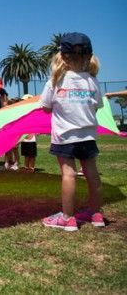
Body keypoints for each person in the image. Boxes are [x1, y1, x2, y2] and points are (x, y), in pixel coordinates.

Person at [40, 32, 105, 231]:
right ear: (89, 56)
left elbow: (45, 107)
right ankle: (96, 214)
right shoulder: (92, 81)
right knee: (92, 173)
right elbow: (97, 106)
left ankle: (68, 218)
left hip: (65, 136)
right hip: (88, 136)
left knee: (68, 174)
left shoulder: (55, 81)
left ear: (63, 56)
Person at [19, 94, 38, 172]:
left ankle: (31, 168)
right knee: (26, 154)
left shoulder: (33, 112)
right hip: (24, 138)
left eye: (25, 101)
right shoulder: (23, 112)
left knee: (32, 154)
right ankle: (26, 167)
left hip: (32, 138)